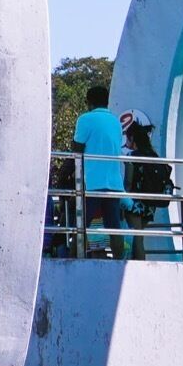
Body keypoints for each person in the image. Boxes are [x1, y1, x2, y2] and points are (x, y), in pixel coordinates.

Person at [72, 84, 127, 258]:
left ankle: (73, 260)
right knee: (114, 227)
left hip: (93, 183)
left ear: (89, 102)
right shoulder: (116, 122)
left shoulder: (85, 119)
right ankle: (119, 261)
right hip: (114, 183)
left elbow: (77, 148)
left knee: (81, 225)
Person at [121, 110, 174, 260]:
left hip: (135, 203)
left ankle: (138, 269)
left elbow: (128, 182)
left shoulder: (132, 157)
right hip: (150, 203)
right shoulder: (153, 156)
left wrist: (121, 199)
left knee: (136, 239)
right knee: (140, 238)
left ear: (132, 137)